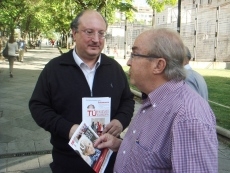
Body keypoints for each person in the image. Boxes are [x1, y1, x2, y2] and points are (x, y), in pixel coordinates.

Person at [94, 28, 218, 173]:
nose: (128, 62)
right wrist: (120, 145)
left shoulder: (188, 117)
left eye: (134, 54)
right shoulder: (154, 99)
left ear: (159, 65)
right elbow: (153, 157)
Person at [29, 9, 134, 173]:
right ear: (74, 33)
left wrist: (121, 121)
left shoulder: (114, 69)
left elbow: (127, 100)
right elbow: (38, 106)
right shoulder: (55, 69)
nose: (96, 40)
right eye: (89, 32)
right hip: (68, 162)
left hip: (109, 161)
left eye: (101, 33)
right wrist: (68, 129)